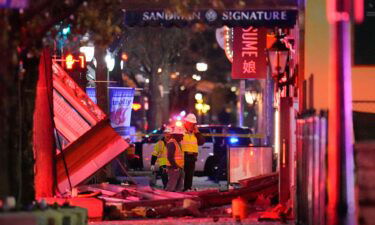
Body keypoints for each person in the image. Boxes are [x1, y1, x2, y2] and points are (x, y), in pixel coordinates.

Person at [181, 113, 205, 191]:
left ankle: (188, 189)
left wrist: (197, 132)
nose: (192, 125)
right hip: (182, 155)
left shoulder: (195, 132)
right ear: (186, 123)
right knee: (181, 175)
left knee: (190, 174)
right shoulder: (181, 130)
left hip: (192, 156)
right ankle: (180, 189)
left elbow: (201, 142)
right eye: (191, 124)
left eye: (194, 124)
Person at [165, 126, 185, 192]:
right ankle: (167, 199)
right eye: (181, 136)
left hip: (178, 167)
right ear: (177, 135)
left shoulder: (177, 142)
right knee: (171, 186)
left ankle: (177, 200)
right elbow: (170, 157)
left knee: (179, 187)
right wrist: (175, 167)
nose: (182, 138)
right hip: (174, 167)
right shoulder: (172, 143)